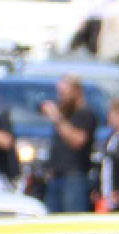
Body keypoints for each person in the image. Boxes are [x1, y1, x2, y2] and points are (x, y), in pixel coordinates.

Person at [39, 76, 97, 212]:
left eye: (64, 93)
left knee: (72, 219)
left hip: (74, 178)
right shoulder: (66, 115)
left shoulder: (85, 114)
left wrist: (57, 118)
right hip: (56, 177)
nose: (61, 97)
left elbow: (78, 141)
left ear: (76, 91)